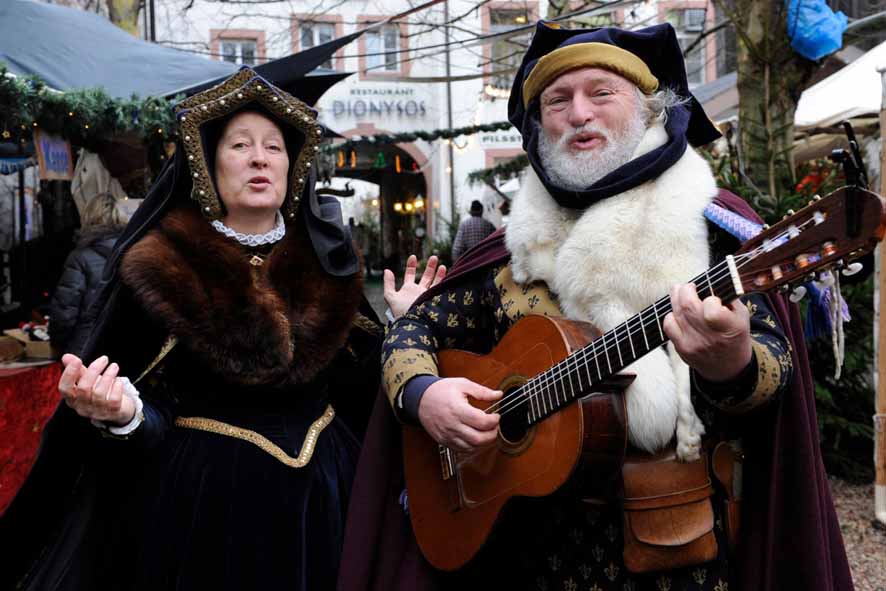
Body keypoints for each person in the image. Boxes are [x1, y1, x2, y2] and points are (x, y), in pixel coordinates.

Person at [339, 23, 853, 591]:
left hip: (680, 556)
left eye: (601, 93)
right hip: (524, 558)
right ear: (539, 125)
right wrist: (423, 395)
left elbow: (775, 368)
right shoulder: (510, 248)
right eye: (558, 100)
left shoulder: (715, 224)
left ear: (648, 107)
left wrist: (732, 362)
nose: (579, 113)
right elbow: (412, 330)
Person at [0, 67, 442, 591]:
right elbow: (146, 418)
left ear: (292, 166)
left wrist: (401, 325)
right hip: (207, 510)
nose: (259, 157)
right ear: (209, 168)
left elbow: (356, 395)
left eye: (274, 147)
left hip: (325, 506)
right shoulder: (163, 268)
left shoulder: (327, 265)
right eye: (240, 145)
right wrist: (123, 413)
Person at [49, 192, 128, 355]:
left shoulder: (80, 258)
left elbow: (64, 314)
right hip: (127, 350)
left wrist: (58, 344)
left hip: (87, 351)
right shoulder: (134, 254)